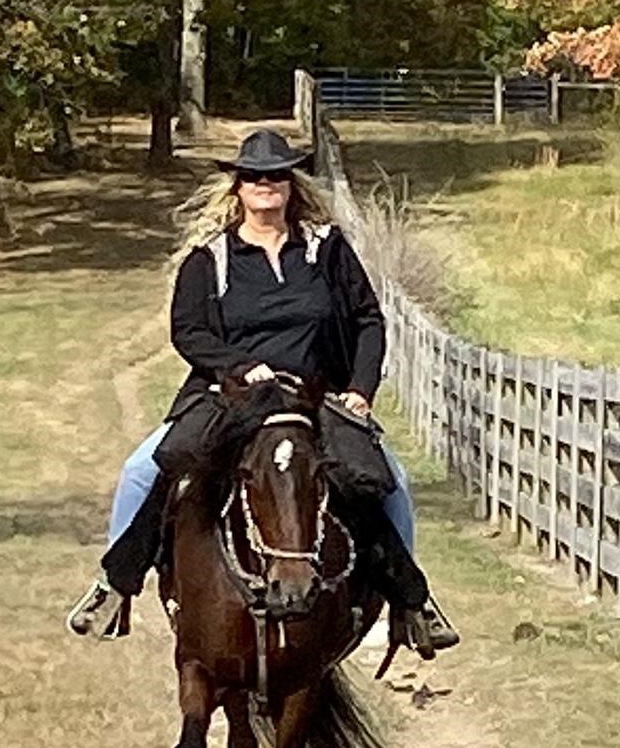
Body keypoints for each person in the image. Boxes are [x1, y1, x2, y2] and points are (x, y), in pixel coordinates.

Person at [66, 129, 459, 657]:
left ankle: (413, 605)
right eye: (254, 176)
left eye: (276, 174)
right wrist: (241, 367)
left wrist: (361, 391)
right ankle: (114, 588)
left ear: (291, 184)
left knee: (392, 482)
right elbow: (190, 331)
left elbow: (368, 319)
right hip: (229, 396)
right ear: (239, 187)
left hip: (314, 398)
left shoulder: (328, 250)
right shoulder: (210, 259)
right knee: (142, 470)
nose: (265, 184)